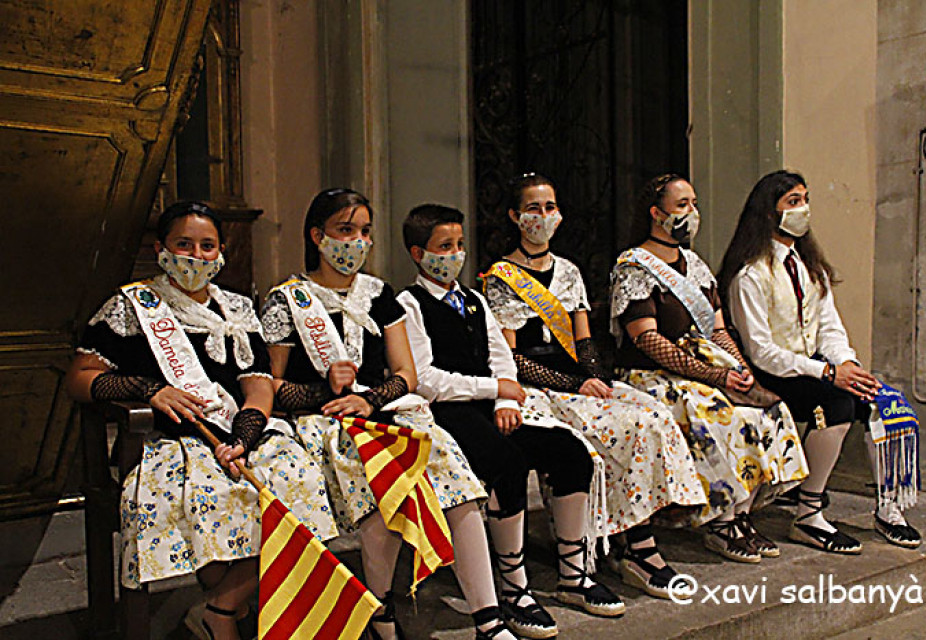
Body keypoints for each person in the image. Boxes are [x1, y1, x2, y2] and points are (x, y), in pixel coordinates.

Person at [66, 202, 337, 640]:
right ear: (161, 249)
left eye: (207, 246)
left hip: (240, 434)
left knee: (301, 481)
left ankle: (219, 607)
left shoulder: (238, 307)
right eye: (184, 244)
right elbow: (80, 378)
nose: (196, 255)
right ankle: (225, 607)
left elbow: (259, 386)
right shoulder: (132, 306)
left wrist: (245, 435)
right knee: (212, 494)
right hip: (169, 441)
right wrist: (147, 389)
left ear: (221, 251)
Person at [261, 188, 517, 640]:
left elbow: (406, 373)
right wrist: (324, 390)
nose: (357, 242)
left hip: (381, 411)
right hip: (323, 422)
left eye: (364, 232)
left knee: (459, 485)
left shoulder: (378, 294)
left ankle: (489, 618)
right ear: (317, 236)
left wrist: (370, 400)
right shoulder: (287, 300)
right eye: (345, 230)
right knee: (381, 497)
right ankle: (381, 612)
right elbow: (271, 386)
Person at [397, 204, 625, 639]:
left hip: (493, 403)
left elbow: (502, 358)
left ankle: (573, 573)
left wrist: (506, 399)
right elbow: (426, 378)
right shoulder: (409, 304)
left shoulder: (474, 300)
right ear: (418, 253)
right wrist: (492, 390)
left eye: (459, 245)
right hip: (449, 410)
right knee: (506, 462)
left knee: (569, 450)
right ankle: (514, 585)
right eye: (444, 247)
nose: (455, 254)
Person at [481, 172, 705, 598]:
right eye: (533, 208)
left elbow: (583, 341)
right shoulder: (501, 276)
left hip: (577, 381)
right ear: (514, 216)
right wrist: (574, 385)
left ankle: (636, 540)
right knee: (615, 431)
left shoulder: (568, 271)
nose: (543, 216)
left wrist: (597, 379)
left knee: (649, 416)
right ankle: (628, 545)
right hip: (537, 386)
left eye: (550, 207)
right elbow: (513, 358)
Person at [609, 174, 809, 564]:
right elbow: (647, 339)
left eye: (694, 204)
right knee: (719, 414)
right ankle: (719, 522)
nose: (692, 212)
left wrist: (740, 369)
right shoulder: (634, 267)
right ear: (656, 213)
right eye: (682, 205)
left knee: (766, 407)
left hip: (701, 368)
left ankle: (740, 515)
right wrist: (716, 376)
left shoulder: (694, 265)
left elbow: (717, 330)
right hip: (653, 375)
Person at [718, 169, 921, 552]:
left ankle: (889, 507)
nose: (804, 209)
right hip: (770, 373)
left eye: (806, 199)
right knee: (836, 405)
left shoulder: (809, 266)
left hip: (813, 365)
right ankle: (809, 515)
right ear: (769, 213)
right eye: (793, 202)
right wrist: (827, 373)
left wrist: (847, 365)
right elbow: (761, 351)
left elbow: (830, 327)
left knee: (881, 399)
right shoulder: (750, 275)